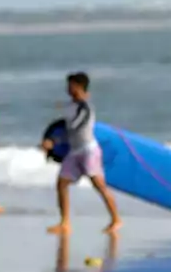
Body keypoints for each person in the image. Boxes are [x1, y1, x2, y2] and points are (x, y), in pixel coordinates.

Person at [42, 72, 121, 234]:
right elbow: (63, 126)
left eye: (72, 86)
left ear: (80, 88)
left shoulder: (86, 107)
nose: (69, 89)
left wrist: (55, 141)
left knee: (98, 184)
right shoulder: (69, 107)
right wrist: (49, 139)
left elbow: (76, 126)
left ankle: (116, 219)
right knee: (61, 183)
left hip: (89, 151)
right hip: (74, 151)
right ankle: (65, 223)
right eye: (68, 86)